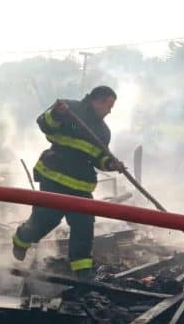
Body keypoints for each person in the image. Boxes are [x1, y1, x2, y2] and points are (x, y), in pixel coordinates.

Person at [12, 86, 124, 277]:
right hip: (54, 177)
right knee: (46, 219)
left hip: (81, 185)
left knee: (84, 225)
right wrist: (56, 113)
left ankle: (82, 271)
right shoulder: (69, 109)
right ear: (97, 100)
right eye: (108, 106)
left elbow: (99, 158)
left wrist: (111, 164)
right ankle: (21, 239)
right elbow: (44, 124)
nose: (109, 111)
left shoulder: (103, 131)